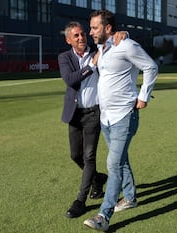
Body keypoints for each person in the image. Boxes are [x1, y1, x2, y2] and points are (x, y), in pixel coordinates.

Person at [83, 10, 158, 231]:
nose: (90, 32)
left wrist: (143, 96)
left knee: (113, 164)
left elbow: (151, 66)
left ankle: (103, 216)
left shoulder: (127, 45)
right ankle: (131, 197)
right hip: (106, 117)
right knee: (120, 161)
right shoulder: (104, 48)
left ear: (107, 28)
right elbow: (94, 63)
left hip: (124, 115)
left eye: (94, 27)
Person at [58, 21, 128, 219]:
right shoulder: (64, 57)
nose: (81, 38)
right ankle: (98, 180)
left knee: (89, 156)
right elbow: (70, 80)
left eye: (82, 34)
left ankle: (81, 200)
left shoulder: (99, 49)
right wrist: (91, 65)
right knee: (75, 155)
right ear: (68, 40)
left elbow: (116, 42)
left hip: (94, 114)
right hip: (75, 114)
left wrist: (124, 33)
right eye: (76, 36)